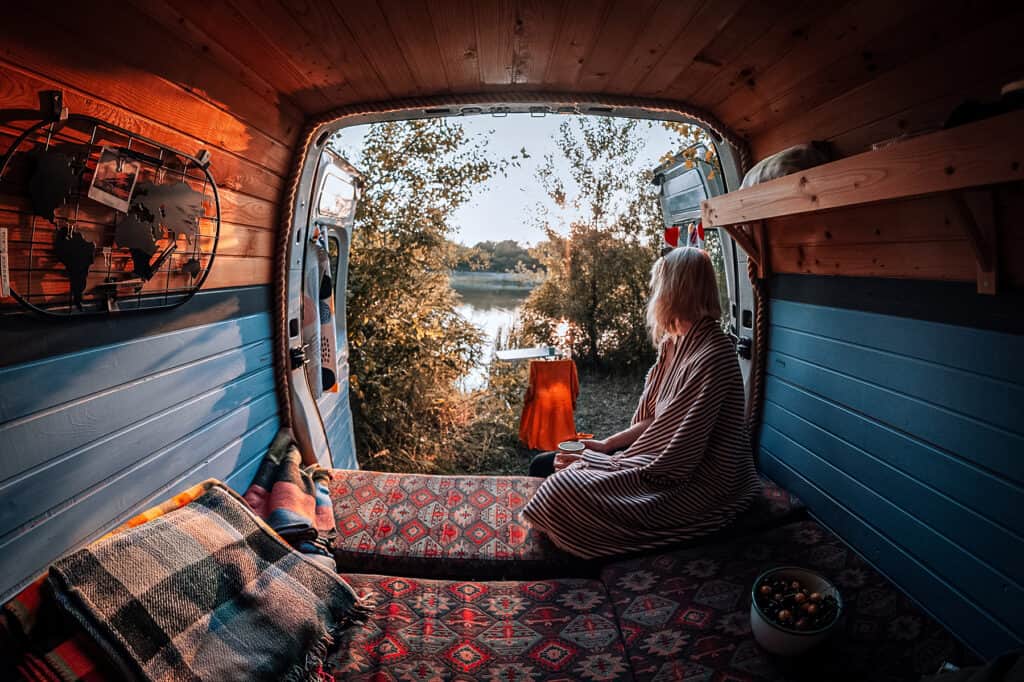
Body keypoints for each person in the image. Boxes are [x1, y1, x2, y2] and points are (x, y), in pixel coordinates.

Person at [522, 246, 761, 559]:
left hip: (701, 482)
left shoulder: (714, 354)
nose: (655, 293)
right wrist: (607, 446)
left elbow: (678, 457)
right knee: (547, 464)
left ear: (676, 289)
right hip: (658, 459)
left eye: (660, 283)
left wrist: (609, 464)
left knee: (563, 487)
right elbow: (656, 421)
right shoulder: (673, 344)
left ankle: (579, 550)